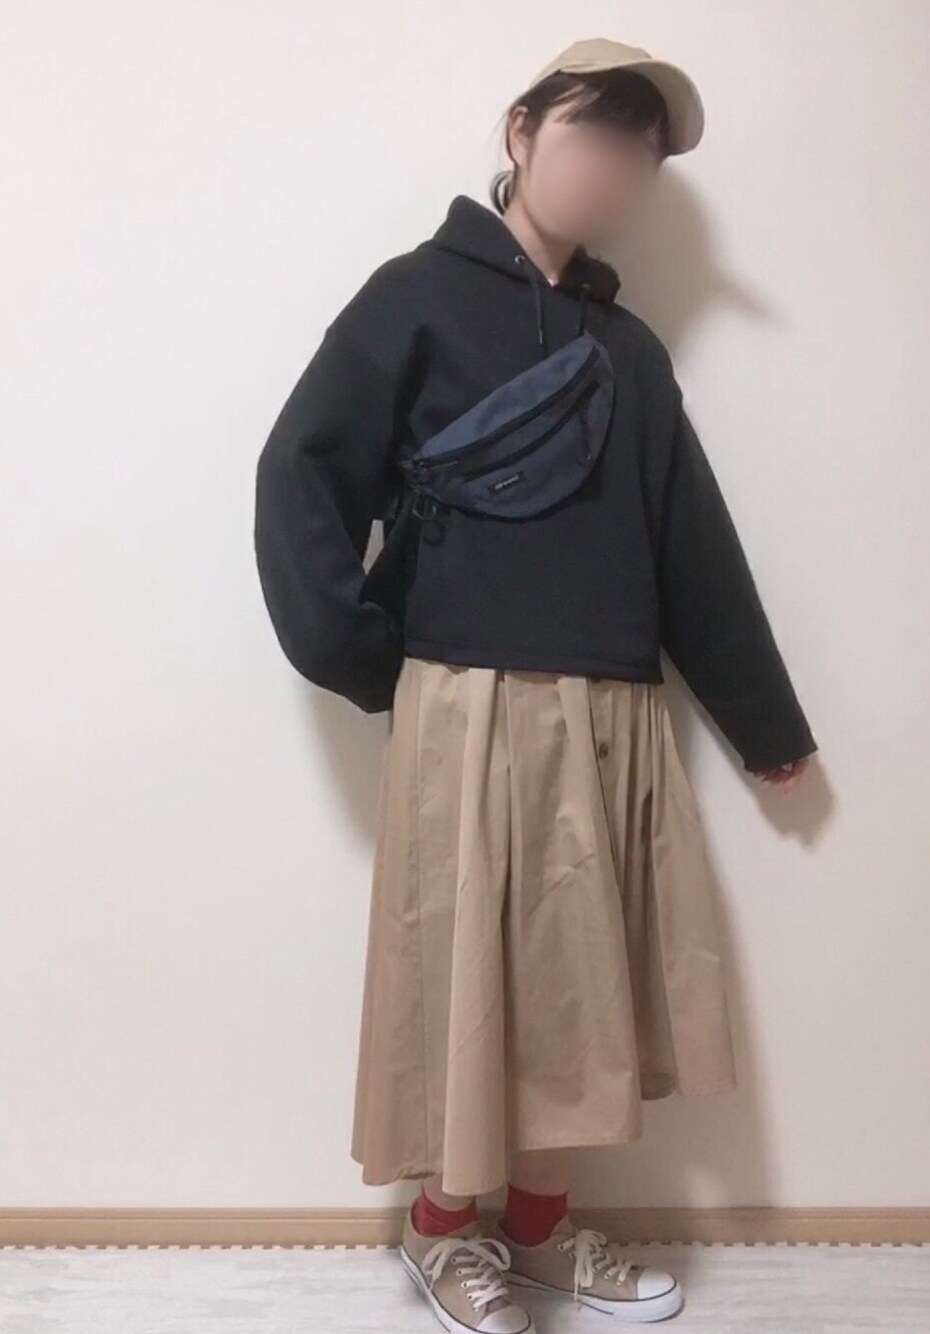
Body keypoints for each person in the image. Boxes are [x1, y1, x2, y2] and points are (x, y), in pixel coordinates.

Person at [254, 36, 818, 1330]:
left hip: (613, 712)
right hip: (469, 706)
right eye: (592, 132)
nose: (614, 165)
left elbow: (690, 544)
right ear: (520, 132)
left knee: (579, 989)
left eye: (639, 152)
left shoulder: (631, 353)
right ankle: (443, 1231)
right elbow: (299, 476)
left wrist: (764, 722)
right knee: (464, 978)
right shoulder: (412, 298)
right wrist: (375, 658)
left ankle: (545, 1228)